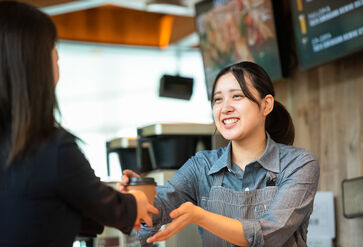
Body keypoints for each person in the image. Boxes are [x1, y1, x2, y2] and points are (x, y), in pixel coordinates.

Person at [0, 1, 158, 246]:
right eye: (54, 53)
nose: (58, 61)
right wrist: (133, 202)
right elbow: (107, 207)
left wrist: (116, 203)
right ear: (34, 66)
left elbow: (51, 208)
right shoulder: (50, 148)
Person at [120, 61, 320, 246]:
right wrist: (138, 194)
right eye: (218, 99)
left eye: (237, 96)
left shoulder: (298, 164)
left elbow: (269, 234)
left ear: (266, 105)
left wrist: (200, 216)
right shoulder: (202, 166)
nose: (225, 108)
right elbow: (159, 207)